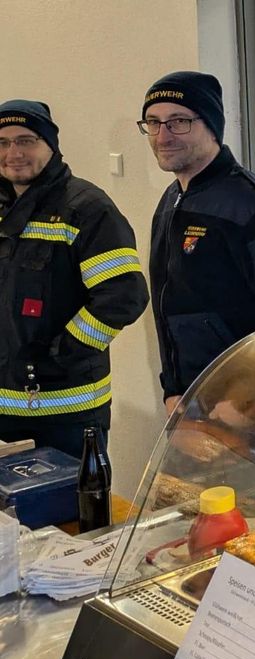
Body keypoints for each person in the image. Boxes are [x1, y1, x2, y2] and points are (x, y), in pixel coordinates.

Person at [141, 71, 255, 416]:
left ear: (212, 126)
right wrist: (173, 390)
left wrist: (248, 402)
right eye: (153, 123)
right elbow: (171, 311)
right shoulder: (172, 202)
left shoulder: (251, 207)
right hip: (196, 401)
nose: (162, 135)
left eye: (178, 122)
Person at [0, 100, 148, 458]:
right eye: (3, 142)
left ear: (51, 146)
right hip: (4, 411)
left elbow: (124, 294)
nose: (13, 153)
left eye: (26, 140)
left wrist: (64, 352)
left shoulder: (86, 208)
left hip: (67, 414)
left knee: (76, 513)